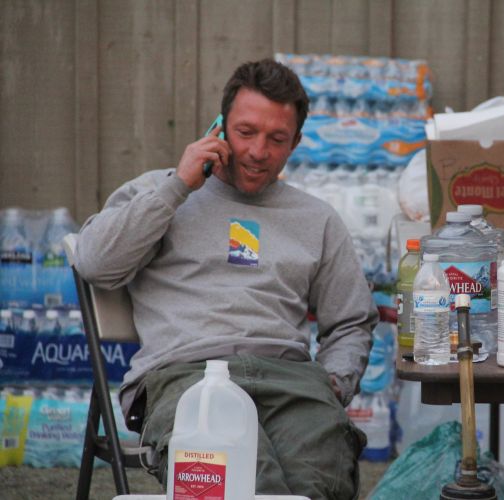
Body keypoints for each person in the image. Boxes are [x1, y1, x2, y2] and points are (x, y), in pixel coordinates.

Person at [74, 58, 378, 499]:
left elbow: (352, 319)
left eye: (276, 138)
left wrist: (334, 382)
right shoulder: (159, 192)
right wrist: (178, 186)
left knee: (320, 482)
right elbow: (95, 263)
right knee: (243, 479)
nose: (258, 151)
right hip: (187, 378)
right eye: (246, 132)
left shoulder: (318, 219)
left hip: (292, 382)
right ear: (218, 127)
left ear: (295, 142)